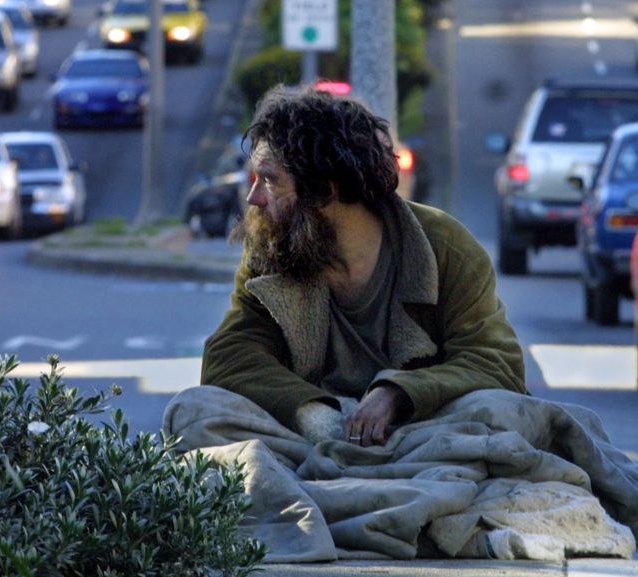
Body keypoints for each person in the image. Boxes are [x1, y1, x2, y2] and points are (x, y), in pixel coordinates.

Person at [199, 86, 528, 448]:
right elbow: (230, 354)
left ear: (326, 189)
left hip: (420, 430)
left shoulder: (445, 246)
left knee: (498, 410)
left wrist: (397, 394)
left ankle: (375, 481)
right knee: (197, 408)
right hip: (309, 436)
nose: (254, 197)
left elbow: (496, 364)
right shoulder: (273, 246)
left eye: (270, 180)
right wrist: (316, 414)